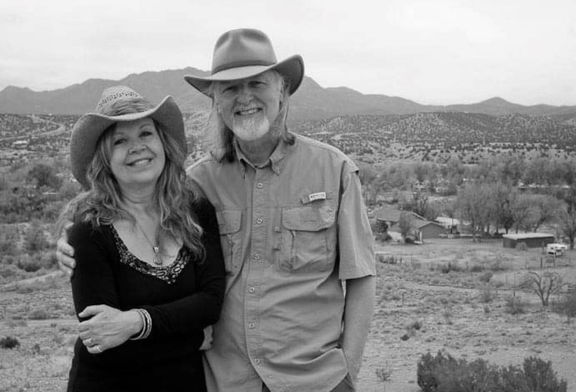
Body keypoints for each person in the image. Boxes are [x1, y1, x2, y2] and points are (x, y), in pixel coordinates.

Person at [59, 28, 376, 392]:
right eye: (230, 88)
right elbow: (122, 210)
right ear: (216, 102)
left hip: (314, 381)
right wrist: (71, 237)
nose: (245, 97)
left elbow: (361, 277)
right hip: (226, 382)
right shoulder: (197, 185)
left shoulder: (334, 171)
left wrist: (348, 371)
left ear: (282, 90)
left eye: (257, 83)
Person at [60, 86, 225, 391]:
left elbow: (210, 303)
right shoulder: (89, 232)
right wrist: (193, 338)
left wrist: (135, 322)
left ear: (163, 144)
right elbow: (103, 343)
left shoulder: (196, 213)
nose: (137, 147)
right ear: (104, 159)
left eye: (146, 133)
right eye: (120, 141)